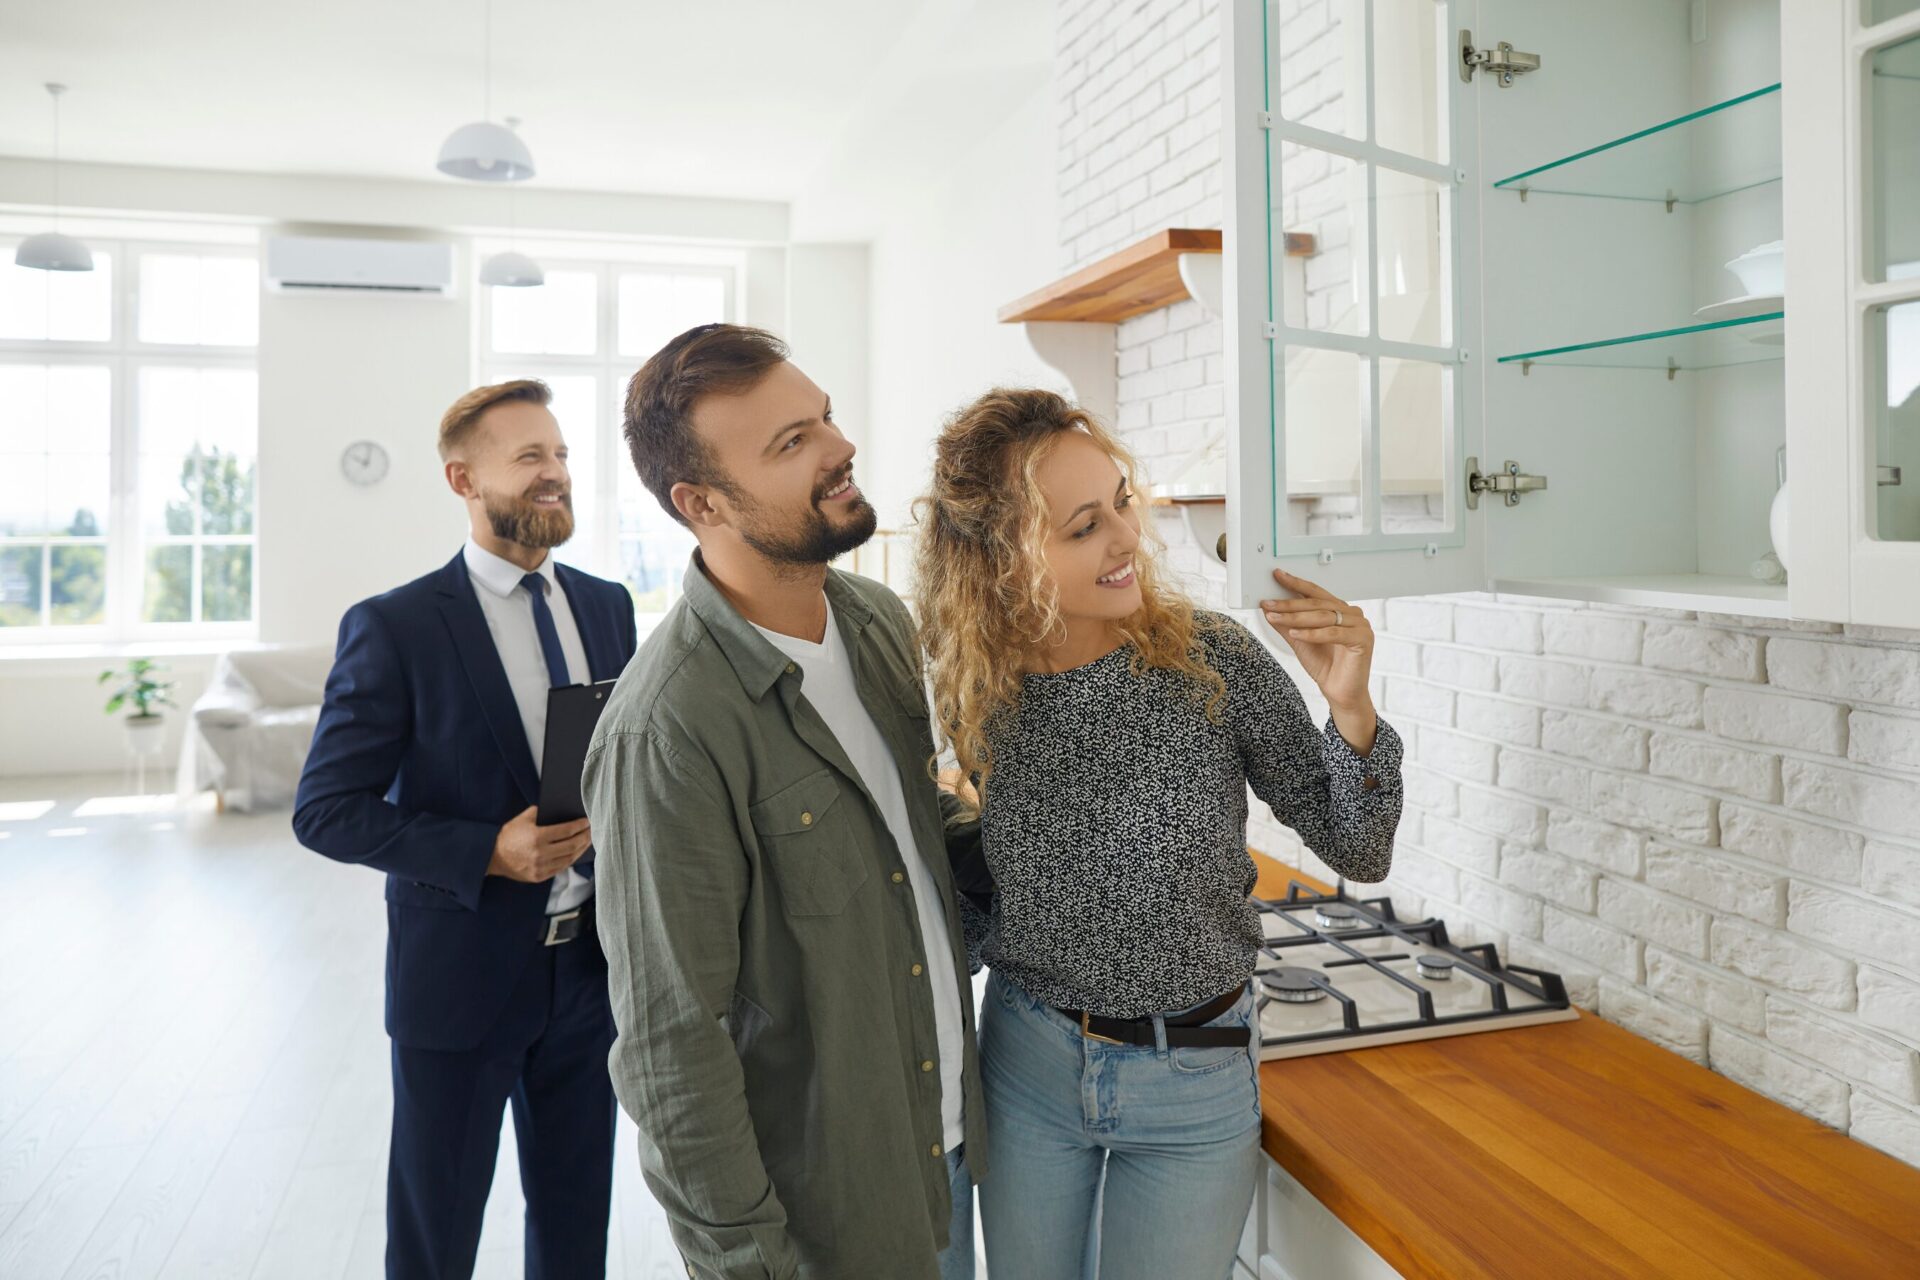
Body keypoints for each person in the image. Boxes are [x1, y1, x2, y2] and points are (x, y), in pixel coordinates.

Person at [912, 387, 1403, 1280]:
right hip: (1028, 1061)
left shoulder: (1210, 658)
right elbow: (983, 861)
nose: (1127, 538)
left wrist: (1351, 708)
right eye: (1083, 526)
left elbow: (1358, 847)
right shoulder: (973, 685)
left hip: (1198, 1076)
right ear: (999, 561)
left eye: (1123, 504)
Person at [581, 324, 985, 1280]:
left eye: (825, 418)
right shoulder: (666, 729)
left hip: (949, 1151)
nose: (839, 447)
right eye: (789, 443)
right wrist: (747, 1264)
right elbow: (672, 1046)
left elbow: (909, 838)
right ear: (702, 503)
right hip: (824, 1216)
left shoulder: (875, 621)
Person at [293, 379, 637, 1280]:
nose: (555, 473)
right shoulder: (396, 626)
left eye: (560, 454)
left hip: (590, 973)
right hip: (459, 979)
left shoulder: (606, 607)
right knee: (436, 1235)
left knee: (575, 1228)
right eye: (530, 457)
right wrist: (486, 849)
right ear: (462, 479)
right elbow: (326, 809)